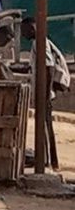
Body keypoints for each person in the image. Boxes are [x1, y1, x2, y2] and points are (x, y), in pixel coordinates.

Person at [23, 17, 70, 171]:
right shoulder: (40, 42)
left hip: (44, 93)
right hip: (44, 91)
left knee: (44, 126)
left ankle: (46, 160)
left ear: (32, 28)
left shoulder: (39, 43)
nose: (23, 33)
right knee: (46, 126)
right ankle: (51, 160)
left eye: (25, 30)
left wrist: (46, 93)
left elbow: (48, 68)